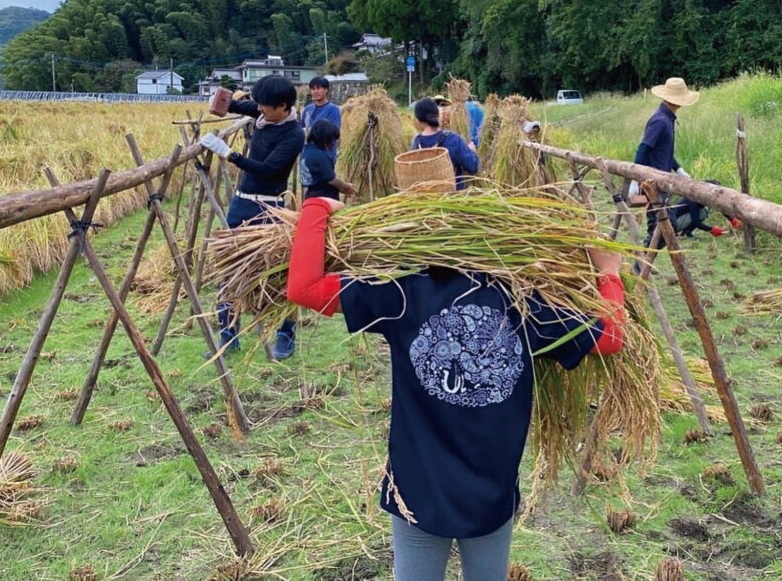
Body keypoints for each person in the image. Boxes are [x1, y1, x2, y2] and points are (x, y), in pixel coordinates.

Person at [284, 195, 626, 581]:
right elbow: (611, 336)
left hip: (417, 492)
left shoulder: (403, 294)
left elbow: (304, 287)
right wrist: (609, 273)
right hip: (489, 494)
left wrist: (318, 206)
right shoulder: (526, 304)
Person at [200, 75, 303, 360]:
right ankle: (228, 334)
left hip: (270, 209)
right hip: (242, 205)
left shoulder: (294, 134)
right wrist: (220, 100)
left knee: (279, 271)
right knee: (229, 269)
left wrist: (228, 154)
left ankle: (285, 333)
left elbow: (268, 169)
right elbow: (235, 106)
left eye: (266, 106)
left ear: (283, 107)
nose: (260, 110)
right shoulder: (263, 113)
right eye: (259, 105)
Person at [628, 77, 699, 245]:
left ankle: (643, 262)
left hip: (661, 179)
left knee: (665, 226)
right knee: (661, 227)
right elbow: (643, 149)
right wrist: (633, 178)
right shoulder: (660, 121)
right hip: (653, 182)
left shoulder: (667, 119)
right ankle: (642, 262)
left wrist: (679, 169)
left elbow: (663, 152)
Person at [411, 98, 478, 191]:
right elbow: (473, 167)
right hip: (452, 200)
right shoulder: (453, 139)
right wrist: (471, 151)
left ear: (418, 120)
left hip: (427, 200)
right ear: (438, 115)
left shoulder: (416, 143)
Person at [301, 119, 355, 201]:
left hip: (311, 195)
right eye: (331, 140)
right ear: (324, 138)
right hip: (323, 199)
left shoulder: (307, 151)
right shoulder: (319, 155)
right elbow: (332, 180)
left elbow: (321, 179)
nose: (332, 143)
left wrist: (342, 189)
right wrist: (346, 187)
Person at [670, 181, 742, 238]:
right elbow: (696, 222)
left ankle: (687, 232)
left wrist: (731, 219)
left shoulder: (703, 196)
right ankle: (686, 232)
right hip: (674, 224)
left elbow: (718, 205)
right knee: (702, 213)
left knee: (703, 212)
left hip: (679, 220)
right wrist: (711, 229)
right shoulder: (694, 198)